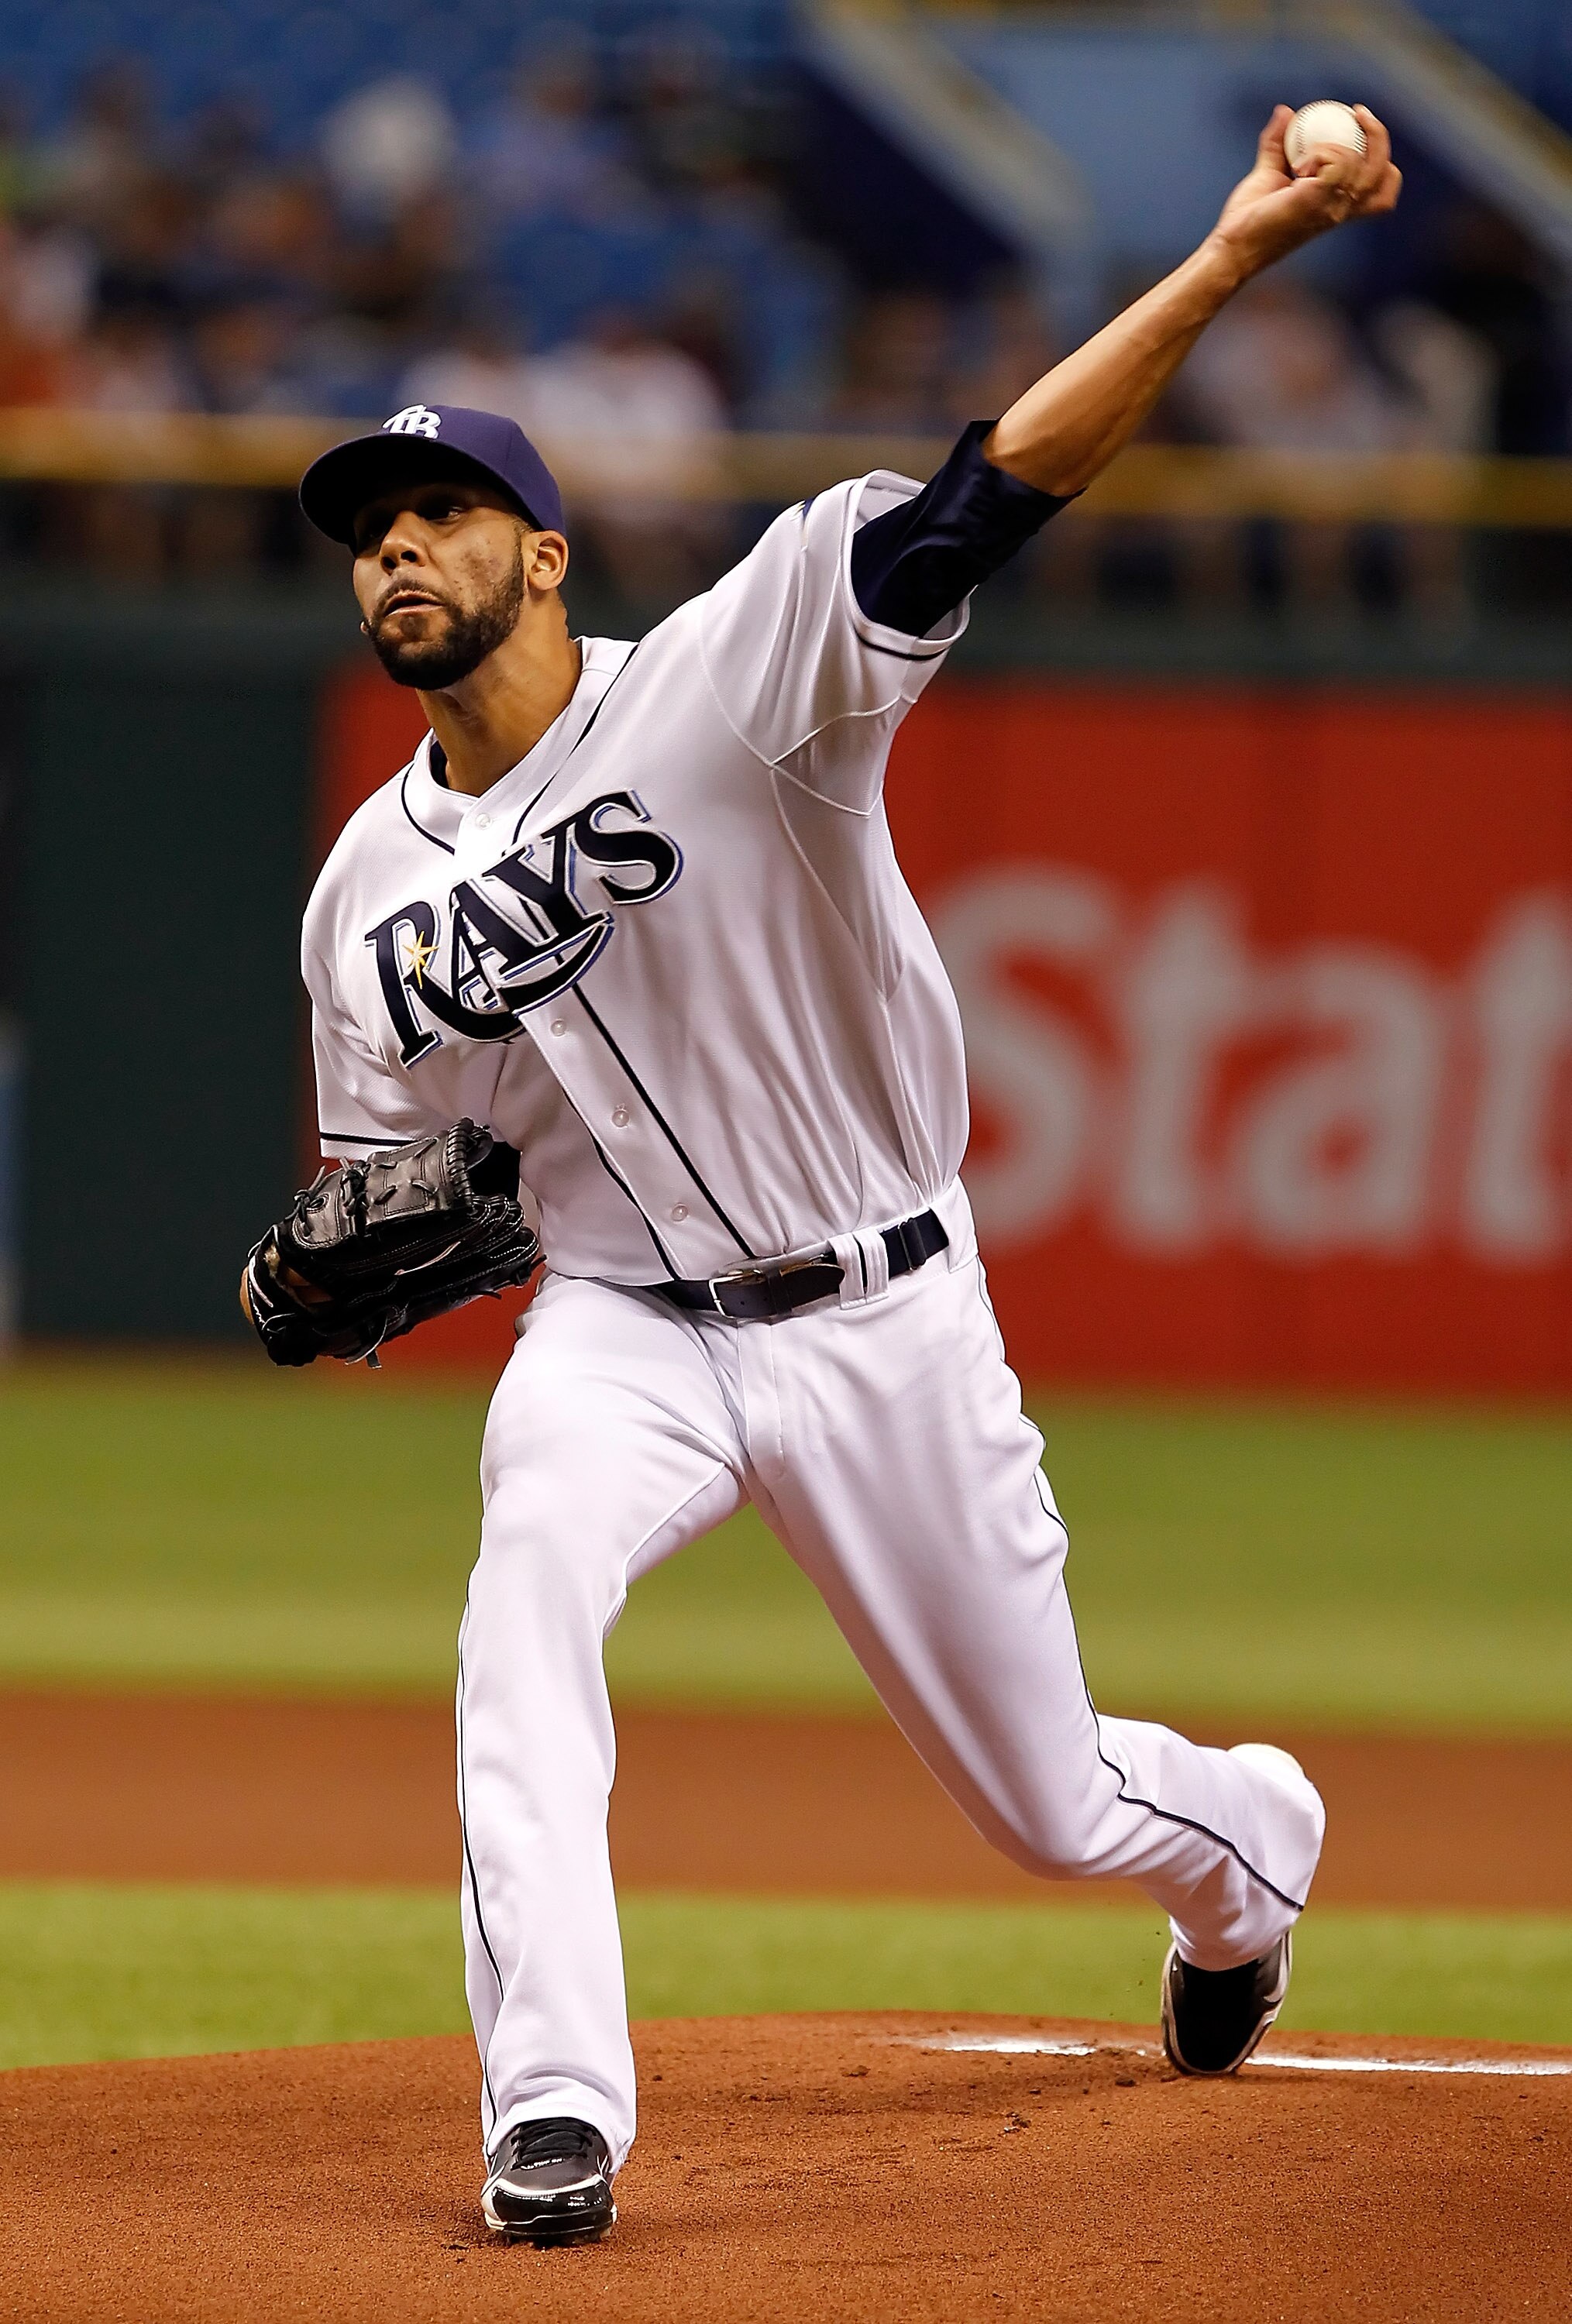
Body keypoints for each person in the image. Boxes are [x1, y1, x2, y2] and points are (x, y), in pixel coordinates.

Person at [284, 107, 1398, 2247]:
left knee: (1050, 1802)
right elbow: (404, 1191)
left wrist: (1237, 254)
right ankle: (556, 2109)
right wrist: (367, 1272)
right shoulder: (358, 902)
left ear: (544, 554)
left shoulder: (737, 675)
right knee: (523, 1596)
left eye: (445, 510)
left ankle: (1251, 1853)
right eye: (370, 525)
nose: (399, 547)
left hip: (880, 1305)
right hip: (618, 1332)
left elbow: (992, 494)